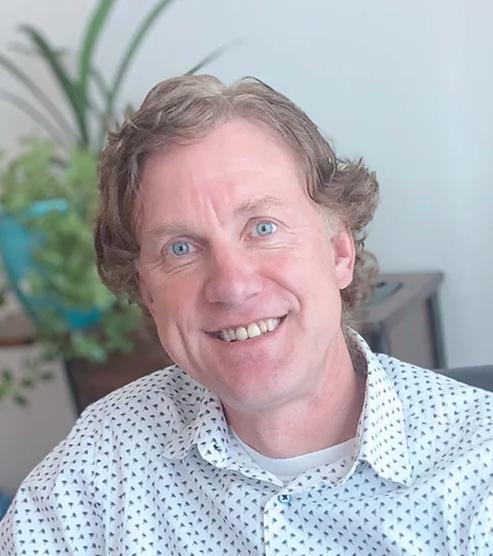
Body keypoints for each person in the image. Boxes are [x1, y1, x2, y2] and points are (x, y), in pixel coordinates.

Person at [1, 75, 492, 555]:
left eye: (263, 228)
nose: (232, 286)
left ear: (339, 253)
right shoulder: (99, 464)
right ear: (147, 292)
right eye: (180, 248)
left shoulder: (477, 471)